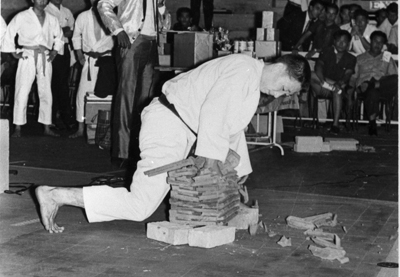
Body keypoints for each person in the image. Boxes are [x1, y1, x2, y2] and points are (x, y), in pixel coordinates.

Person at [35, 53, 311, 233]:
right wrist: (212, 164)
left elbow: (230, 128)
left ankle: (56, 195)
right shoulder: (243, 71)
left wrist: (237, 177)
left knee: (149, 200)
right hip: (167, 123)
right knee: (141, 205)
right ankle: (55, 195)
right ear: (283, 67)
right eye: (286, 87)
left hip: (180, 127)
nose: (281, 94)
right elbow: (214, 112)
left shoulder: (251, 83)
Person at [97, 0, 168, 164]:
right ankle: (120, 151)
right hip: (132, 44)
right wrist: (118, 31)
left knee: (145, 100)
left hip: (151, 45)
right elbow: (104, 5)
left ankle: (139, 150)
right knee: (126, 97)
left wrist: (162, 7)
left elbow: (164, 25)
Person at [2, 0, 64, 137]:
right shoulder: (22, 16)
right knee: (22, 90)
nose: (42, 2)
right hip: (28, 55)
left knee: (46, 92)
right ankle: (17, 126)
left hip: (45, 56)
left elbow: (59, 36)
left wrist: (55, 50)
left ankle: (47, 126)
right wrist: (14, 53)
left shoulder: (51, 18)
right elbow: (9, 34)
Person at [70, 0, 114, 139]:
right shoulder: (82, 16)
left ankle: (106, 129)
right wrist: (79, 54)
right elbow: (75, 37)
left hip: (107, 60)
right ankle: (81, 127)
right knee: (82, 93)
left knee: (107, 94)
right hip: (89, 60)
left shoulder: (112, 16)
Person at [351, 31, 398, 135]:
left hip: (381, 88)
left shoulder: (387, 58)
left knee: (396, 79)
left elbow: (393, 77)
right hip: (363, 89)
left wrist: (377, 83)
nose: (378, 44)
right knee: (372, 92)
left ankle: (372, 84)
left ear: (383, 45)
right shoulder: (359, 58)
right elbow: (353, 77)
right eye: (375, 41)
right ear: (370, 42)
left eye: (381, 42)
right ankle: (373, 123)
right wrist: (352, 88)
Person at [44, 0, 76, 130]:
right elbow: (52, 33)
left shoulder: (67, 12)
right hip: (51, 52)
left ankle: (62, 117)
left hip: (65, 52)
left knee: (62, 85)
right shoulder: (45, 11)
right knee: (53, 86)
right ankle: (54, 118)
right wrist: (64, 30)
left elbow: (73, 31)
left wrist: (63, 31)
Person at [311, 30, 356, 134]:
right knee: (311, 74)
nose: (341, 44)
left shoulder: (351, 58)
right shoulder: (326, 52)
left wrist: (339, 83)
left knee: (338, 90)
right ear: (334, 42)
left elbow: (348, 74)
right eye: (338, 41)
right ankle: (330, 85)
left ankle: (335, 124)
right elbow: (318, 66)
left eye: (344, 41)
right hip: (322, 85)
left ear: (348, 44)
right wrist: (322, 81)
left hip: (338, 87)